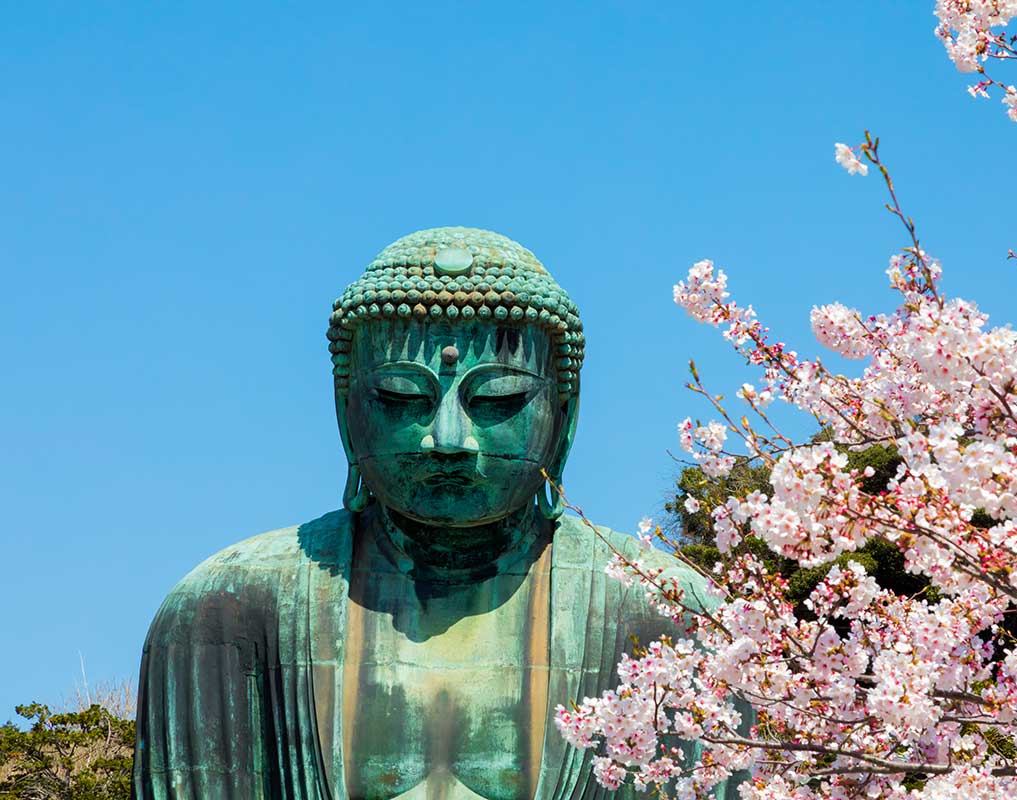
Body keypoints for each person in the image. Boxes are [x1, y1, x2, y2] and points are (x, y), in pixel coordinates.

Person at [132, 227, 727, 799]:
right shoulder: (227, 611)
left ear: (563, 416)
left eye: (497, 399)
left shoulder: (664, 618)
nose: (447, 438)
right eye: (401, 397)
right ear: (346, 410)